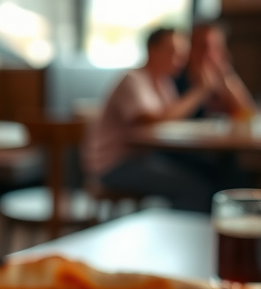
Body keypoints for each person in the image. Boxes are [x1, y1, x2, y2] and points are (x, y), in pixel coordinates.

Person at [84, 26, 222, 212]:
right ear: (151, 49)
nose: (179, 59)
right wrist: (199, 91)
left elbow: (173, 121)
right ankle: (177, 236)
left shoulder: (164, 83)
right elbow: (152, 121)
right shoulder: (133, 79)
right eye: (172, 51)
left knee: (210, 171)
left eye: (182, 53)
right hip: (114, 164)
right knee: (194, 187)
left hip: (142, 159)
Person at [175, 21, 255, 118]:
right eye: (202, 46)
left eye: (216, 47)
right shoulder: (174, 76)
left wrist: (227, 78)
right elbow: (166, 118)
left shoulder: (224, 76)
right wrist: (202, 90)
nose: (208, 53)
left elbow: (250, 115)